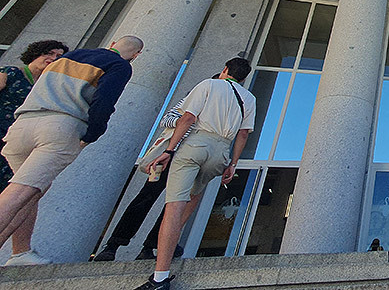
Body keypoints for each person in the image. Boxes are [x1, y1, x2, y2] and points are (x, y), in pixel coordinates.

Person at [0, 35, 142, 266]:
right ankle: (19, 253)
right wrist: (91, 134)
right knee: (19, 193)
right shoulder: (118, 65)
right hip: (59, 127)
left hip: (22, 126)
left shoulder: (67, 58)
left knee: (31, 193)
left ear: (113, 43)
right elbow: (105, 101)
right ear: (136, 55)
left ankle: (19, 252)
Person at [134, 57, 256, 290]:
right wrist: (233, 164)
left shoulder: (208, 85)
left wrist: (169, 150)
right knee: (193, 198)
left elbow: (188, 118)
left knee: (174, 205)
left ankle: (160, 276)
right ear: (243, 77)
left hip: (196, 144)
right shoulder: (249, 98)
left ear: (225, 69)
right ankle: (173, 245)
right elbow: (243, 134)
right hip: (221, 151)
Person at [93, 75, 221, 262]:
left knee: (173, 207)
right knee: (146, 197)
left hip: (192, 159)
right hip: (171, 155)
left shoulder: (221, 112)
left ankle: (150, 247)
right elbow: (167, 119)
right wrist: (189, 121)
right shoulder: (190, 100)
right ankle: (113, 244)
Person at [0, 40, 69, 190]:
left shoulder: (47, 87)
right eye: (49, 53)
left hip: (14, 141)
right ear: (36, 54)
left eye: (58, 56)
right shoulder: (10, 72)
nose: (53, 58)